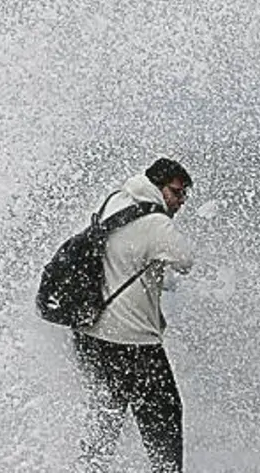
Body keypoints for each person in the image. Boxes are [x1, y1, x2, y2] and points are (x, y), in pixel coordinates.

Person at [72, 158, 197, 473]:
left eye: (184, 195)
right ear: (158, 186)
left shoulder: (115, 201)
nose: (180, 202)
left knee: (106, 418)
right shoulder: (156, 222)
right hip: (134, 343)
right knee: (165, 419)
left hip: (92, 335)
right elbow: (184, 259)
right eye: (176, 193)